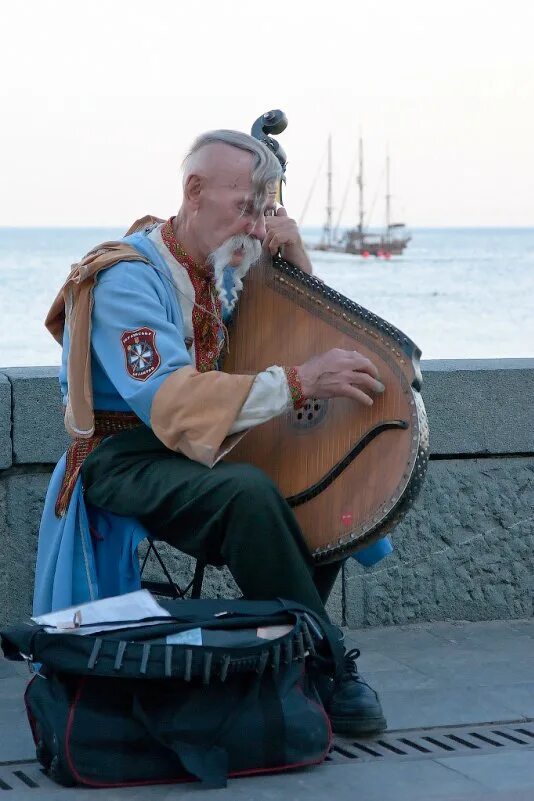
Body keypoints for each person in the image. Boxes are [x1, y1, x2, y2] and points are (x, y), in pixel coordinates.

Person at [34, 129, 387, 735]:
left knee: (325, 484)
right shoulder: (127, 277)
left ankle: (277, 654)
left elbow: (294, 334)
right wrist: (299, 383)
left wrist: (298, 264)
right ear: (194, 192)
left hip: (203, 445)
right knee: (249, 492)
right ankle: (322, 663)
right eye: (244, 207)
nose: (254, 226)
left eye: (262, 210)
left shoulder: (221, 265)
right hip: (124, 454)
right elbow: (171, 401)